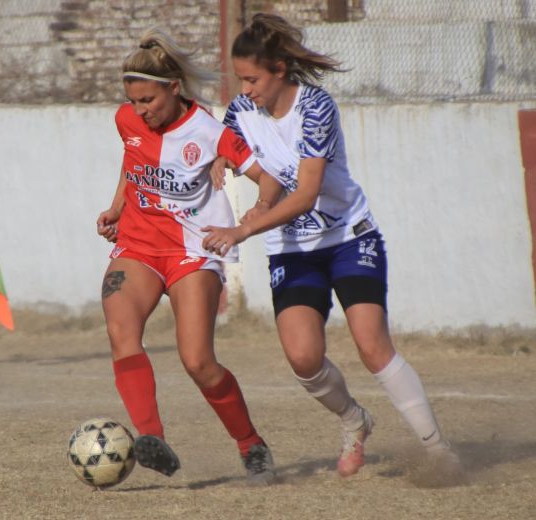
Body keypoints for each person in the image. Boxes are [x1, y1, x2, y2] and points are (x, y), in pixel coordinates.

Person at [202, 13, 461, 477]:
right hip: (292, 249)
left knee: (372, 345)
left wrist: (243, 230)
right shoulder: (242, 111)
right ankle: (354, 420)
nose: (245, 90)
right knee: (303, 358)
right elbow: (236, 148)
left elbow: (304, 194)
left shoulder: (315, 107)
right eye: (240, 79)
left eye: (252, 79)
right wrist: (223, 156)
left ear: (280, 69)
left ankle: (439, 450)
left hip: (347, 237)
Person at [97, 27, 280, 485]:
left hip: (192, 252)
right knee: (121, 330)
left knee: (197, 360)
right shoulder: (127, 120)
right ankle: (150, 438)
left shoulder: (211, 133)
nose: (139, 111)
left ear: (173, 88)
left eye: (148, 102)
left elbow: (270, 181)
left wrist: (250, 218)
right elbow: (132, 157)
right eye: (133, 102)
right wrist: (118, 205)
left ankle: (250, 443)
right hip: (137, 245)